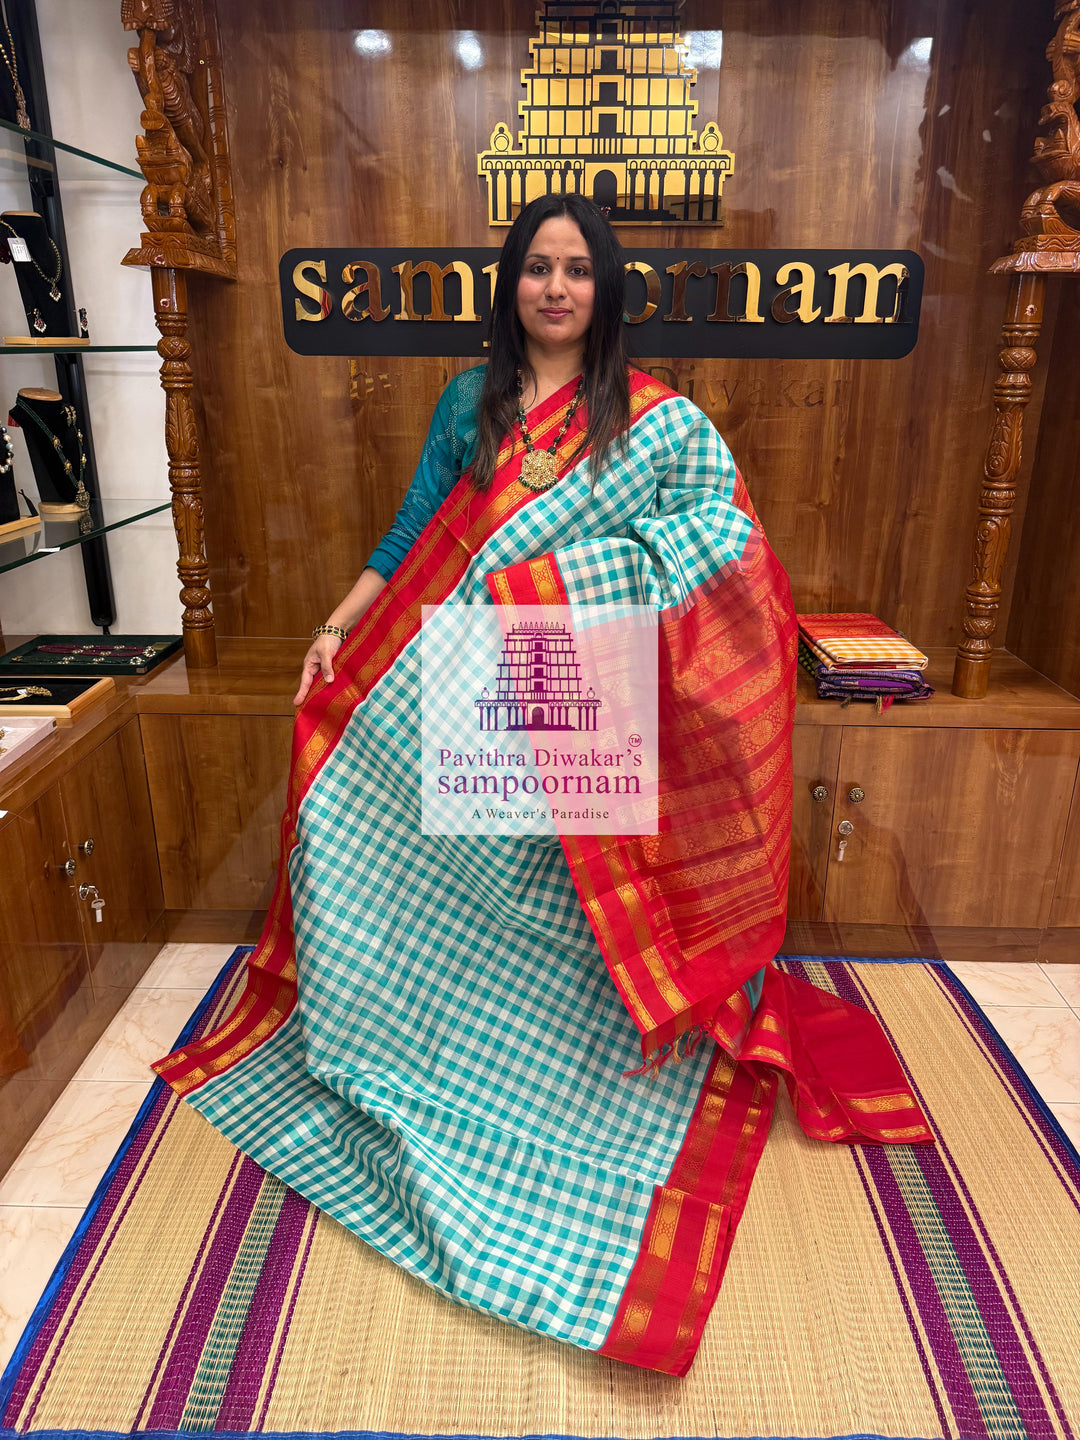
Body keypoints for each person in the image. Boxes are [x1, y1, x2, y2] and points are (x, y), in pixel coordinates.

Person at [154, 194, 932, 1377]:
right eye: (537, 268)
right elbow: (419, 528)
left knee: (573, 886)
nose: (557, 287)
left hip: (585, 668)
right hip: (469, 665)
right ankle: (447, 1046)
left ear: (607, 290)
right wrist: (338, 625)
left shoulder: (657, 417)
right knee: (471, 861)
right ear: (509, 284)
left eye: (577, 270)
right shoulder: (469, 402)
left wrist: (584, 575)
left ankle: (575, 1072)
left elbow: (727, 541)